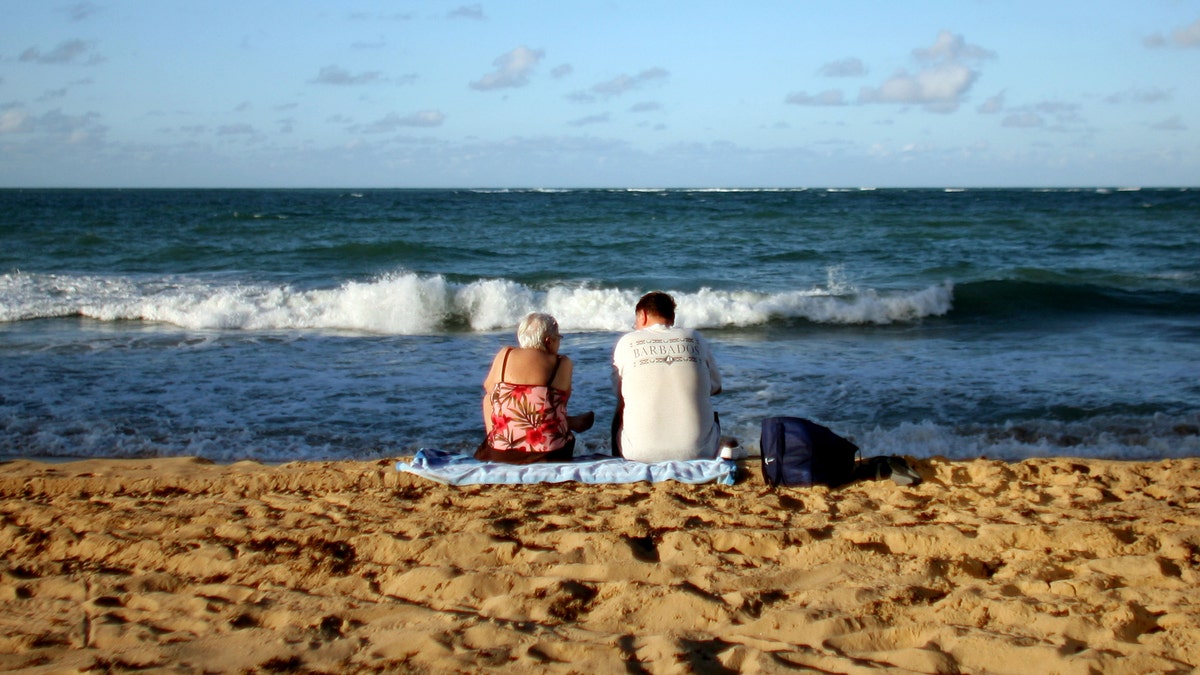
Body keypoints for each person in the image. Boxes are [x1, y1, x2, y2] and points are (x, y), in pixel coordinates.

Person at [611, 291, 722, 462]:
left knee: (623, 405)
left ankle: (618, 461)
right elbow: (716, 388)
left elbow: (621, 393)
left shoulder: (627, 341)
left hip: (638, 455)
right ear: (672, 317)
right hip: (700, 453)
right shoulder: (694, 338)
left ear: (643, 315)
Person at [476, 313, 594, 464]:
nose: (559, 343)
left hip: (502, 455)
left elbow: (488, 387)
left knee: (489, 398)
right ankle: (570, 422)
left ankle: (498, 440)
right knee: (549, 403)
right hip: (551, 454)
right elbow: (562, 402)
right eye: (558, 338)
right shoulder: (562, 363)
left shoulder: (505, 354)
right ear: (548, 341)